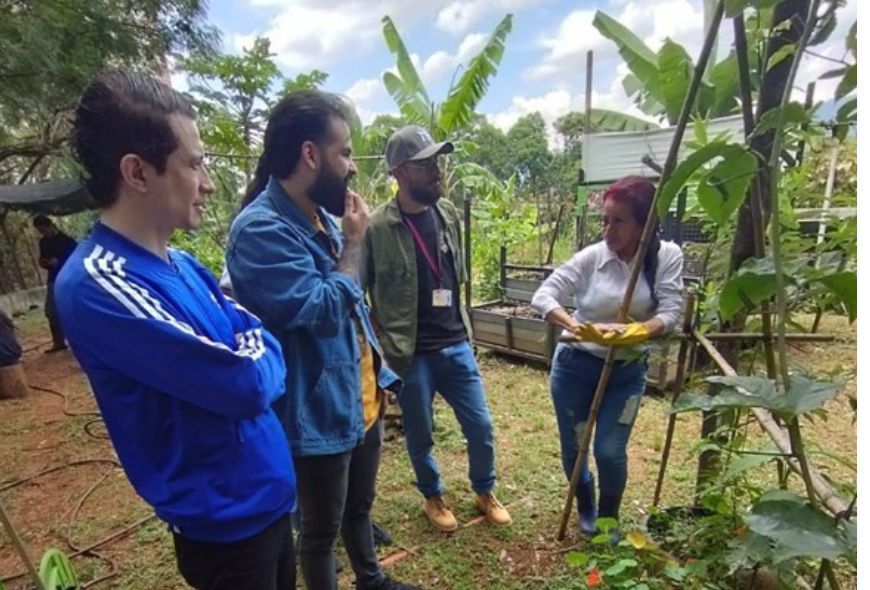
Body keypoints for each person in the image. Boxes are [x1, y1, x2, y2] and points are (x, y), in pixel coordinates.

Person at [54, 71, 297, 590]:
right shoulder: (99, 284)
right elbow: (247, 381)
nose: (207, 182)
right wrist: (253, 351)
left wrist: (252, 350)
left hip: (269, 500)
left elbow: (258, 336)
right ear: (137, 173)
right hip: (227, 532)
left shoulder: (183, 263)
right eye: (194, 164)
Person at [226, 90, 420, 590]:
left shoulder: (320, 218)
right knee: (319, 531)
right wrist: (355, 242)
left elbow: (354, 308)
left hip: (361, 399)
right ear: (311, 155)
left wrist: (381, 373)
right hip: (317, 409)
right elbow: (319, 307)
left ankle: (371, 579)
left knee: (360, 507)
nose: (353, 167)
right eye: (346, 152)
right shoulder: (260, 230)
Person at [363, 125, 511, 533]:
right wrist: (382, 348)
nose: (437, 170)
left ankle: (484, 489)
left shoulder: (445, 213)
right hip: (411, 355)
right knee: (421, 434)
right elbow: (358, 294)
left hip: (456, 342)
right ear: (400, 172)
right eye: (426, 164)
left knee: (480, 426)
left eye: (437, 161)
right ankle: (433, 496)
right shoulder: (377, 228)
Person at [531, 175, 683, 537]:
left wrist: (637, 330)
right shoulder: (592, 258)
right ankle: (586, 507)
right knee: (576, 446)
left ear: (644, 224)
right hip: (575, 367)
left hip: (626, 370)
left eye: (619, 221)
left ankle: (609, 517)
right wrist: (575, 325)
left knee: (611, 451)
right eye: (605, 219)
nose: (608, 230)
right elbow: (543, 295)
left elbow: (673, 310)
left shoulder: (666, 256)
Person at [32, 215, 77, 352]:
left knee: (73, 309)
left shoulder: (67, 241)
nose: (42, 233)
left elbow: (76, 260)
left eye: (43, 229)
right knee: (51, 311)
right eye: (40, 231)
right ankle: (58, 341)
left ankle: (80, 338)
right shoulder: (43, 242)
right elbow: (42, 259)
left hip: (70, 279)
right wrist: (44, 262)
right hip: (53, 279)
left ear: (51, 226)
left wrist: (59, 261)